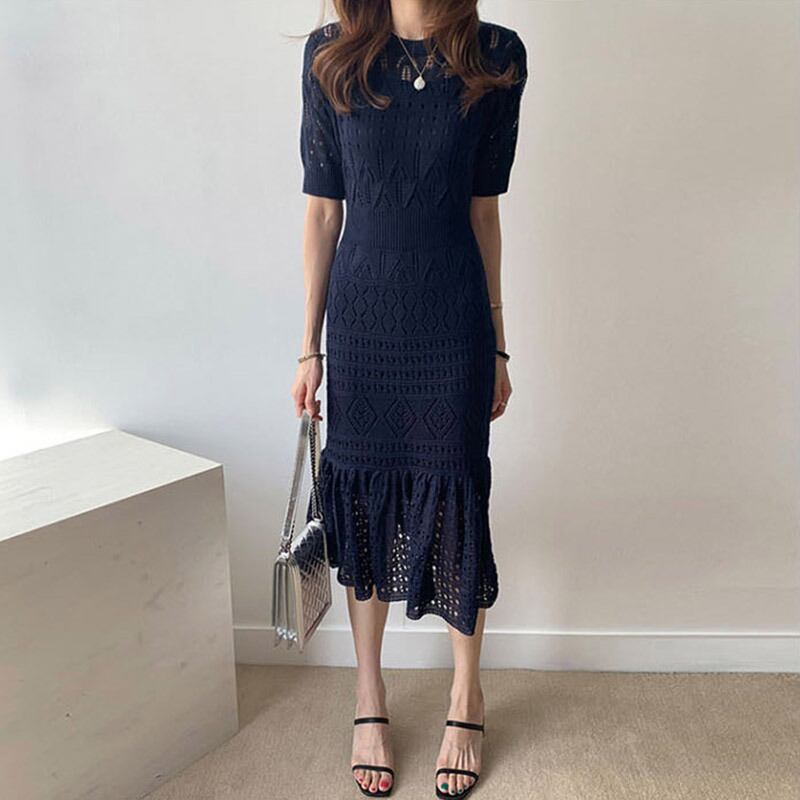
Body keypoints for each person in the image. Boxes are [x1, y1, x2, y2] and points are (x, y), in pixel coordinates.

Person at [292, 0, 527, 796]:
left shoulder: (496, 55)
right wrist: (309, 347)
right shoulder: (331, 55)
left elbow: (485, 211)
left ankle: (466, 695)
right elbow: (323, 211)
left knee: (457, 493)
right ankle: (369, 695)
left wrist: (498, 343)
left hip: (452, 318)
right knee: (362, 501)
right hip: (363, 321)